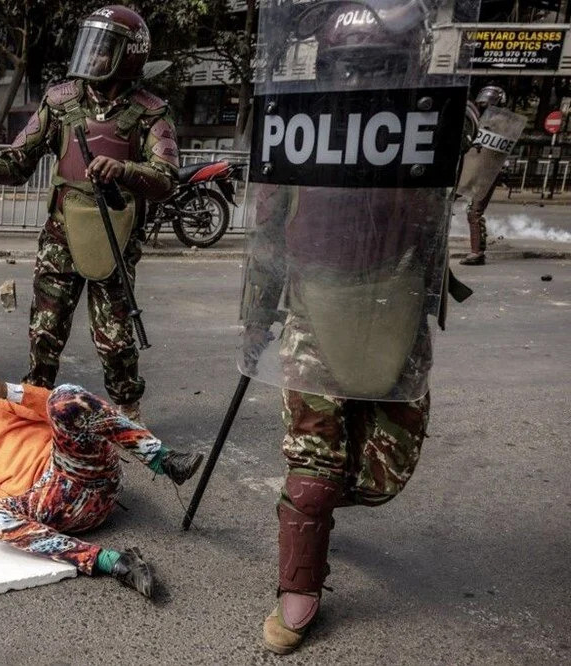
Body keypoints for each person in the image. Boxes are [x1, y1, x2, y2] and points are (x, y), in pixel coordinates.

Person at [237, 0, 473, 653]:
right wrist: (257, 321)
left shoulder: (437, 119)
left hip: (395, 304)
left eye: (377, 68)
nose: (361, 82)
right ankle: (300, 573)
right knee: (313, 466)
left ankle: (310, 506)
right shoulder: (298, 123)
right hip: (314, 306)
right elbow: (267, 229)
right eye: (352, 68)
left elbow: (442, 207)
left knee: (383, 472)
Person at [0, 5, 179, 423]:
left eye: (105, 49)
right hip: (61, 235)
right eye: (91, 46)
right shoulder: (60, 102)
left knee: (116, 339)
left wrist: (124, 170)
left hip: (114, 237)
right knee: (45, 332)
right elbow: (17, 162)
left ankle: (127, 413)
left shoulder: (150, 111)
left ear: (129, 55)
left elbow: (166, 176)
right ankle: (36, 411)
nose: (93, 56)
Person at [0, 363, 204, 597]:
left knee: (64, 395)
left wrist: (6, 390)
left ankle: (162, 460)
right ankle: (112, 562)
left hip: (83, 467)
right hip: (64, 508)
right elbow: (13, 502)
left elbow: (51, 407)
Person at [460, 85, 508, 266]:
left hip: (487, 171)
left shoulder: (502, 125)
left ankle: (477, 252)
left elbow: (499, 153)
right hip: (471, 166)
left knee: (474, 211)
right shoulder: (477, 121)